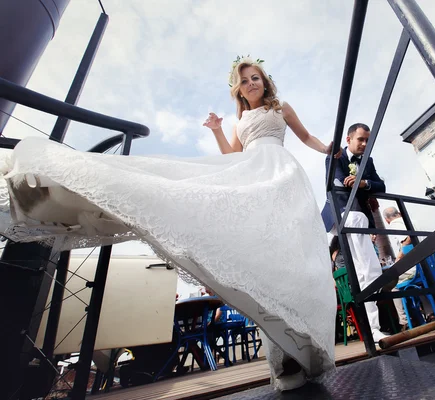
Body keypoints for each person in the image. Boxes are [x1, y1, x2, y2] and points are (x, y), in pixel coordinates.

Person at [0, 57, 338, 391]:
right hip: (254, 174)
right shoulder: (242, 121)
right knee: (259, 247)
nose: (251, 83)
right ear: (239, 90)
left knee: (291, 248)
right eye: (245, 80)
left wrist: (327, 149)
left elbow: (306, 137)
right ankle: (285, 356)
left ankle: (301, 342)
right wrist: (219, 130)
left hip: (284, 173)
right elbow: (231, 156)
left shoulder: (281, 109)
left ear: (264, 81)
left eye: (256, 78)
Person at [320, 123, 390, 343]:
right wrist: (356, 184)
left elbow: (381, 186)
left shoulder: (367, 161)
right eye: (360, 139)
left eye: (368, 140)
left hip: (358, 219)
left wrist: (364, 182)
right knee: (366, 268)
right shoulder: (336, 156)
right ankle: (374, 277)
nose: (364, 144)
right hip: (339, 217)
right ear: (349, 139)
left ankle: (373, 327)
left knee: (364, 270)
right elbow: (338, 183)